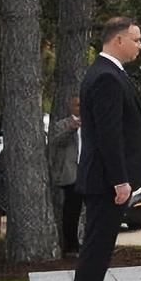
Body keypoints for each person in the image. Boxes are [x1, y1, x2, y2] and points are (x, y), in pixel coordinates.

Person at [68, 17, 141, 281]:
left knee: (97, 251)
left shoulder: (109, 74)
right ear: (118, 41)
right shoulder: (106, 77)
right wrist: (119, 181)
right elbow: (108, 135)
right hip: (106, 182)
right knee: (96, 252)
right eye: (136, 40)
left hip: (105, 180)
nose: (140, 46)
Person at [48, 98, 83, 255]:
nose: (80, 108)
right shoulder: (62, 124)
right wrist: (71, 129)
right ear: (71, 106)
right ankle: (71, 245)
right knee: (71, 211)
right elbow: (56, 142)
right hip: (71, 174)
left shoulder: (92, 123)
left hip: (88, 171)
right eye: (77, 105)